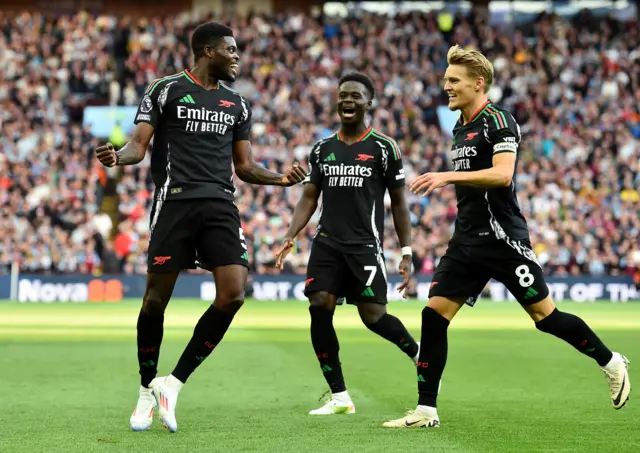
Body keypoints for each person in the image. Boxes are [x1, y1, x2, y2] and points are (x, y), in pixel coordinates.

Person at [383, 45, 630, 429]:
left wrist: (446, 176)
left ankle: (610, 360)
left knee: (545, 318)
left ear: (478, 83)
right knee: (433, 316)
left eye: (454, 80)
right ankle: (426, 410)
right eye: (446, 79)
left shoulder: (499, 121)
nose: (445, 86)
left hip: (502, 239)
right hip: (465, 241)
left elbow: (502, 175)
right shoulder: (460, 127)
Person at [95, 22, 306, 433]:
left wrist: (280, 179)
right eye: (231, 50)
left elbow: (244, 167)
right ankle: (145, 390)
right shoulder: (166, 89)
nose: (237, 57)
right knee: (155, 300)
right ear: (208, 51)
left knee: (233, 294)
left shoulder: (237, 105)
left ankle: (171, 385)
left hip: (220, 205)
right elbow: (138, 146)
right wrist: (117, 158)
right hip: (174, 203)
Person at [275, 72, 420, 415]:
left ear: (369, 104)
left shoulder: (384, 148)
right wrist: (290, 235)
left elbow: (399, 202)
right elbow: (309, 197)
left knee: (373, 317)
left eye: (355, 96)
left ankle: (418, 355)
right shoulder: (322, 149)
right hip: (326, 244)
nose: (347, 101)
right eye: (343, 95)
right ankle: (340, 395)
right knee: (319, 305)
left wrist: (406, 251)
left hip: (365, 247)